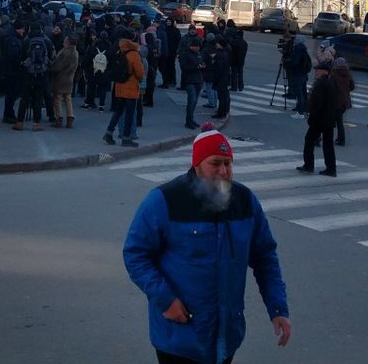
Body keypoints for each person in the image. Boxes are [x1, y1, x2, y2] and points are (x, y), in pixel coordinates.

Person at [123, 123, 292, 363]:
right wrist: (165, 300)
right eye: (215, 163)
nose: (224, 171)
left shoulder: (244, 201)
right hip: (179, 337)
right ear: (197, 164)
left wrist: (278, 309)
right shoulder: (165, 200)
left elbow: (265, 257)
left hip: (226, 335)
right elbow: (135, 254)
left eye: (228, 163)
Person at [103, 28, 145, 148]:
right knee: (130, 114)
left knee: (118, 112)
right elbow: (140, 72)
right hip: (131, 87)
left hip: (119, 85)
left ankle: (108, 133)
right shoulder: (133, 53)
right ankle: (126, 138)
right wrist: (140, 78)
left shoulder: (119, 50)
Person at [297, 59, 337, 177]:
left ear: (323, 71)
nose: (316, 72)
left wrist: (310, 113)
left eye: (317, 70)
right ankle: (331, 168)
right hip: (329, 119)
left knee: (309, 140)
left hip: (319, 119)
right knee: (328, 144)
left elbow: (316, 102)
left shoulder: (320, 83)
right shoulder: (331, 82)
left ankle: (308, 165)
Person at [15, 25, 53, 131]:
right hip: (42, 74)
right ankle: (36, 123)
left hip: (28, 74)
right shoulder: (47, 42)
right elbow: (50, 57)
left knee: (25, 98)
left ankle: (19, 122)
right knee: (38, 99)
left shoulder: (26, 41)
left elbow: (21, 57)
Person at [50, 33, 79, 128]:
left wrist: (51, 67)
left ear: (68, 42)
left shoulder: (64, 52)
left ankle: (59, 117)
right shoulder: (75, 53)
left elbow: (57, 66)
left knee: (57, 97)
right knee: (68, 97)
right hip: (70, 78)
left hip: (60, 77)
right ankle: (70, 116)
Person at [330, 53, 354, 146]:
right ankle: (340, 139)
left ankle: (340, 139)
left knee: (335, 120)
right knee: (339, 120)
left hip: (336, 100)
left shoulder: (334, 74)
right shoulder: (348, 74)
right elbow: (352, 86)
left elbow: (331, 87)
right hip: (345, 101)